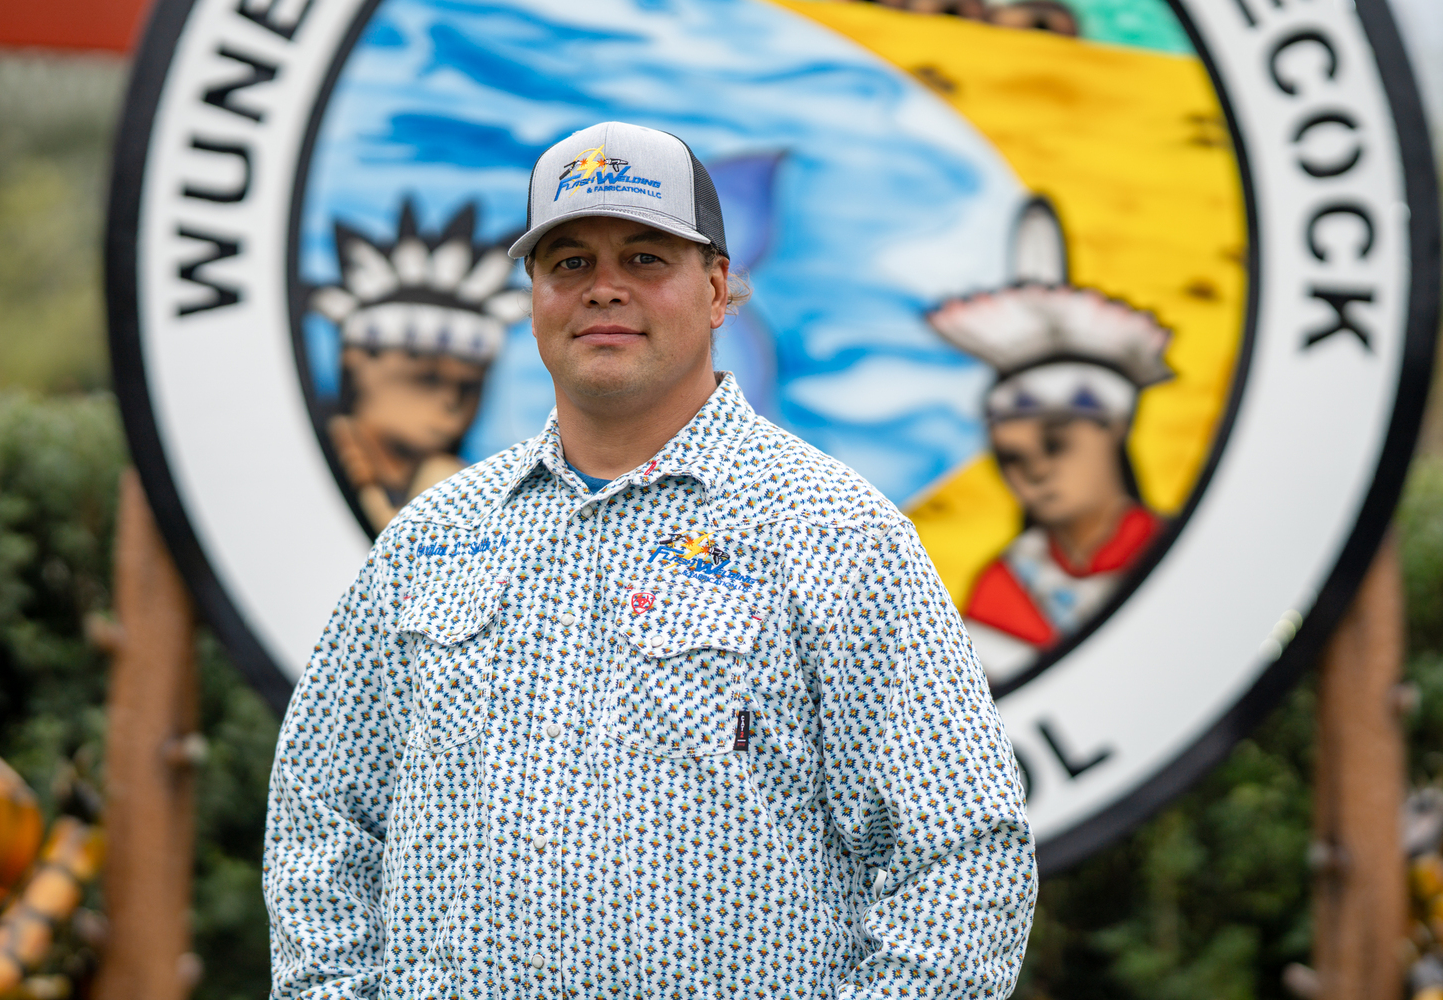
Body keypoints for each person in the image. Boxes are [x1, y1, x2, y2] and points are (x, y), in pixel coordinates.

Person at [265, 120, 1035, 998]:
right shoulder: (430, 539)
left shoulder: (837, 534)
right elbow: (321, 820)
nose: (602, 290)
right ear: (531, 297)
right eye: (569, 263)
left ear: (717, 289)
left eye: (644, 259)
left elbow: (962, 855)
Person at [926, 284, 1172, 682]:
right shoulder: (1003, 586)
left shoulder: (1174, 555)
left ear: (1115, 429)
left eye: (1055, 445)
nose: (1035, 472)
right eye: (1012, 459)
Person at [309, 202, 529, 530]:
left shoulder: (463, 487)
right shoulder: (301, 456)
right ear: (357, 360)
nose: (451, 401)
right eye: (425, 379)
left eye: (470, 386)